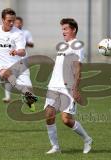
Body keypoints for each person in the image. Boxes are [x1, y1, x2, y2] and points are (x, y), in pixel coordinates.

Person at [44, 18, 92, 154]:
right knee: (49, 115)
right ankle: (55, 147)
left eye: (65, 29)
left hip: (67, 87)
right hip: (54, 85)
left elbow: (77, 68)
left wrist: (75, 88)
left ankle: (87, 139)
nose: (63, 31)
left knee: (66, 119)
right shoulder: (62, 45)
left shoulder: (77, 45)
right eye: (62, 29)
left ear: (73, 30)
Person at [2, 16, 34, 103]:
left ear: (22, 23)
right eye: (16, 23)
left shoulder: (26, 33)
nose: (17, 24)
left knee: (25, 77)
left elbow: (32, 44)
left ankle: (27, 95)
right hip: (12, 59)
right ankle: (7, 97)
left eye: (19, 23)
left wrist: (23, 41)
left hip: (23, 58)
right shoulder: (10, 33)